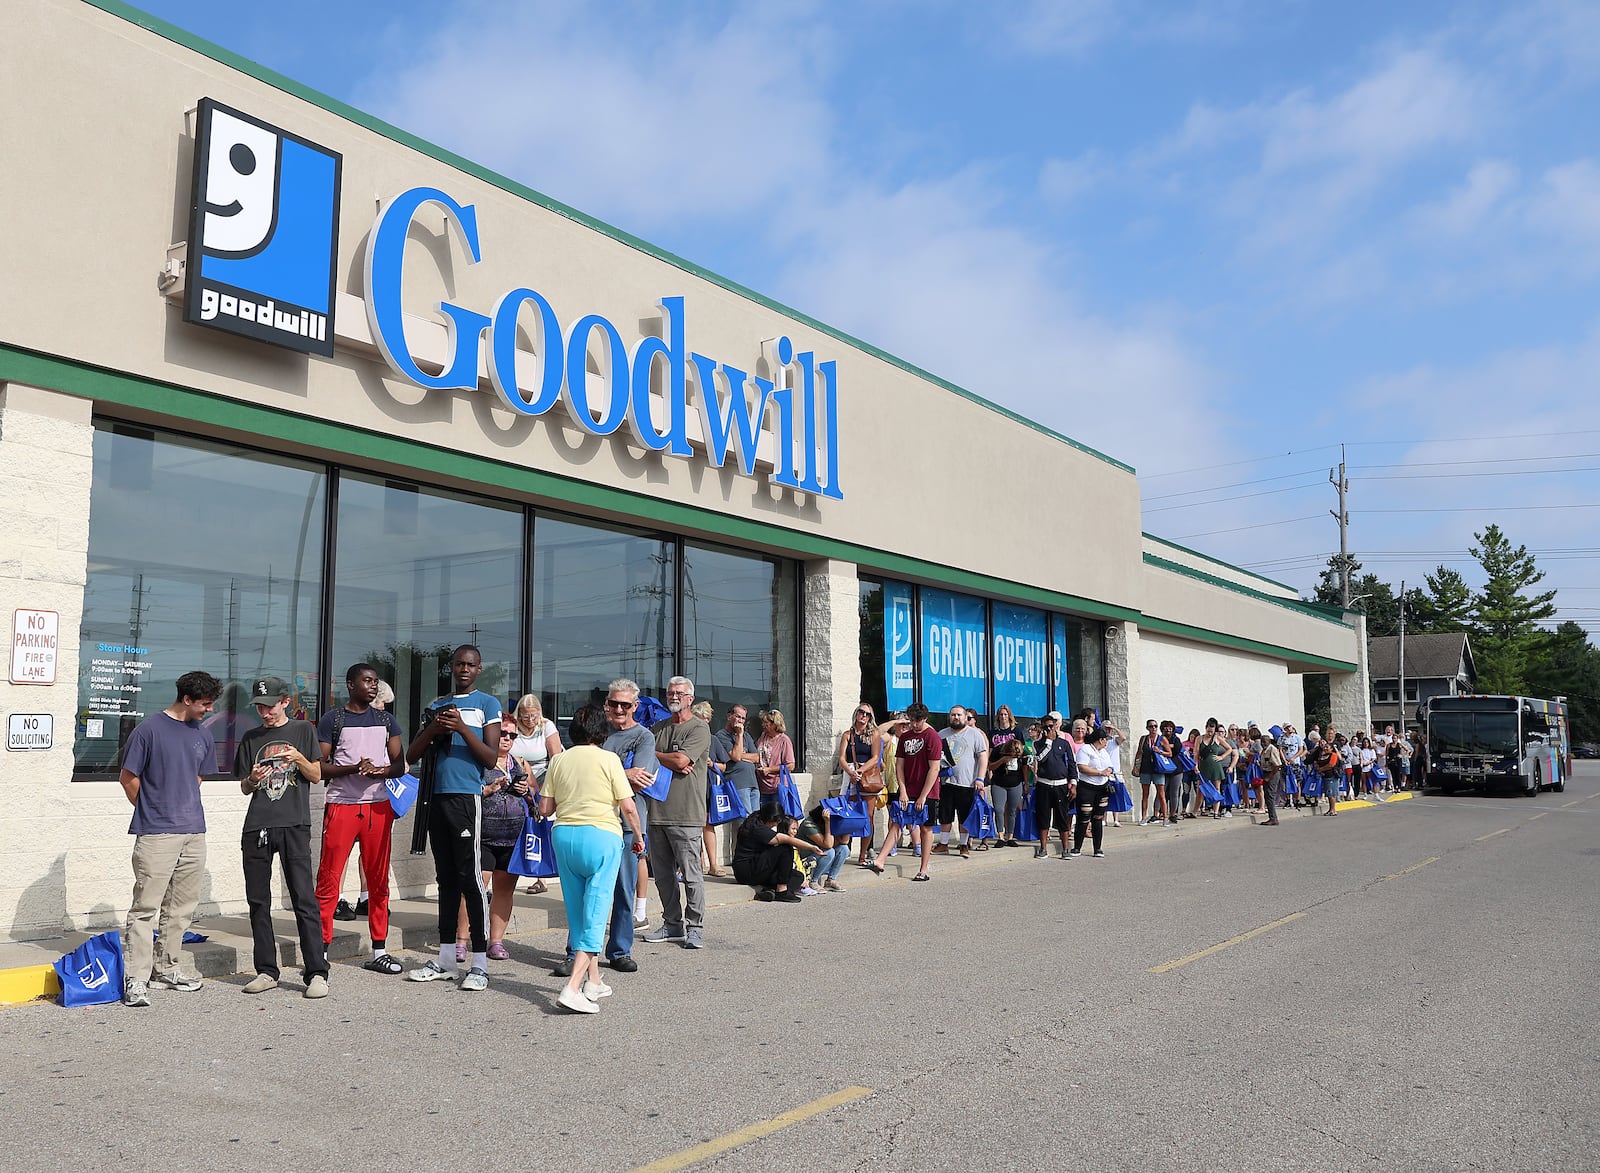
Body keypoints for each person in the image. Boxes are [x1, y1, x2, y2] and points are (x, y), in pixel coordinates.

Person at [119, 670, 221, 1007]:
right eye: (204, 704)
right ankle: (136, 978)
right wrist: (152, 810)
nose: (208, 710)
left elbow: (197, 778)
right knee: (146, 908)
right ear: (187, 699)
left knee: (181, 909)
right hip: (156, 832)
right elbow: (128, 777)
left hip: (193, 831)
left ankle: (167, 968)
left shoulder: (202, 736)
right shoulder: (148, 730)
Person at [404, 645, 501, 991]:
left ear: (479, 669)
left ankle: (479, 961)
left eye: (470, 665)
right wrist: (433, 729)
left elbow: (490, 759)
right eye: (458, 664)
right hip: (435, 798)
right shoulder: (435, 705)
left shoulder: (487, 705)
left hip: (465, 798)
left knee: (470, 878)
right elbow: (411, 755)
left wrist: (461, 727)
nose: (463, 669)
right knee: (444, 878)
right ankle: (446, 959)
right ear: (451, 667)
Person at [538, 704, 645, 1014]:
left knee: (578, 909)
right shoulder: (609, 759)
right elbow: (628, 806)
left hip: (565, 836)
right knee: (596, 914)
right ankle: (572, 988)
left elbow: (545, 808)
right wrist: (638, 838)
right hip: (602, 837)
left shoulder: (559, 760)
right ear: (602, 730)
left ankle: (593, 981)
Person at [235, 676, 329, 998]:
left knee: (304, 898)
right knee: (258, 901)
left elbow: (316, 776)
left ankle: (317, 972)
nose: (265, 712)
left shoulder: (304, 731)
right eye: (260, 706)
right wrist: (252, 778)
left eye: (270, 705)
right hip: (257, 824)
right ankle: (266, 970)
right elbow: (245, 787)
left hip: (294, 823)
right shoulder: (250, 738)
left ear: (286, 702)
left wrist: (299, 758)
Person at [316, 663, 406, 975]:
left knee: (379, 881)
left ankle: (379, 951)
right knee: (329, 879)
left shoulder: (385, 719)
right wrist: (354, 768)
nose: (372, 686)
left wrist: (380, 770)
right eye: (366, 681)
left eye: (375, 681)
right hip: (342, 806)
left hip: (378, 808)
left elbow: (399, 764)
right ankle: (321, 952)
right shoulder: (334, 719)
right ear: (350, 684)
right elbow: (320, 768)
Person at [569, 677, 657, 976]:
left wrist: (611, 771)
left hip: (628, 825)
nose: (618, 709)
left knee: (623, 889)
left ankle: (620, 950)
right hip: (593, 822)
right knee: (583, 893)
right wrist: (622, 770)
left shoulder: (644, 736)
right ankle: (575, 952)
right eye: (613, 703)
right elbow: (615, 775)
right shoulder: (596, 732)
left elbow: (640, 777)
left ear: (635, 706)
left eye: (624, 704)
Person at [643, 676, 713, 950]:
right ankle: (672, 924)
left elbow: (683, 761)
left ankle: (694, 927)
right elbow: (649, 757)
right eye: (671, 692)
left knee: (691, 875)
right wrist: (668, 758)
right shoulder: (657, 728)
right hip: (657, 811)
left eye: (680, 693)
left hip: (687, 814)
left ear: (690, 698)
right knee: (662, 876)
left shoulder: (699, 729)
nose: (674, 696)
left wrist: (661, 756)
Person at [457, 720, 533, 963]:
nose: (507, 738)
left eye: (512, 735)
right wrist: (487, 790)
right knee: (474, 890)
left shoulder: (519, 763)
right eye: (502, 733)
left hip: (512, 837)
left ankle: (496, 941)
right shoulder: (479, 760)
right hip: (484, 836)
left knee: (504, 890)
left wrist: (526, 791)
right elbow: (464, 793)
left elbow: (535, 794)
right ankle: (461, 941)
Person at [868, 703, 941, 881]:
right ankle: (880, 860)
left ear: (924, 719)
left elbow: (934, 769)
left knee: (925, 828)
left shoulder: (932, 736)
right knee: (897, 822)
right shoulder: (905, 737)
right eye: (911, 720)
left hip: (927, 791)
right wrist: (903, 790)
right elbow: (899, 765)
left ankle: (923, 869)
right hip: (907, 788)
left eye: (917, 720)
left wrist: (923, 796)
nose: (913, 724)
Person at [505, 694, 562, 894]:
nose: (530, 721)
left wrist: (545, 790)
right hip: (518, 776)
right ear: (518, 715)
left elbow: (556, 758)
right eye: (525, 716)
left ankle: (542, 876)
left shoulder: (546, 726)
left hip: (545, 777)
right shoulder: (513, 729)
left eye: (533, 716)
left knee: (541, 824)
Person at [734, 802, 824, 901]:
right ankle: (781, 891)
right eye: (774, 822)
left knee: (798, 876)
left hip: (759, 868)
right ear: (768, 818)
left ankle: (770, 892)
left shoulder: (758, 817)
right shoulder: (757, 828)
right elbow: (785, 839)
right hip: (747, 871)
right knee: (785, 847)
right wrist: (811, 847)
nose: (775, 824)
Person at [710, 704, 759, 876]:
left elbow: (757, 756)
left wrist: (741, 755)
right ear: (729, 716)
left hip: (753, 784)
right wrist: (738, 738)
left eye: (743, 719)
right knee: (743, 822)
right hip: (738, 784)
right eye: (737, 717)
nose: (740, 721)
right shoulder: (721, 736)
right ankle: (741, 857)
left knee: (755, 822)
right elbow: (736, 757)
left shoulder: (747, 735)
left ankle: (753, 855)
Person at [934, 705, 989, 858]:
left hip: (967, 783)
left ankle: (964, 844)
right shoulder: (942, 734)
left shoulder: (975, 734)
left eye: (959, 715)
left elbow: (983, 757)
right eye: (953, 715)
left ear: (965, 717)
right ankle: (943, 844)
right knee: (945, 815)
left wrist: (980, 778)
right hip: (946, 781)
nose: (956, 717)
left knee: (964, 816)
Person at [1032, 712, 1078, 858]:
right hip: (1044, 785)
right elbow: (1039, 759)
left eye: (1051, 727)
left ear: (1056, 726)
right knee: (1044, 817)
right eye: (1045, 728)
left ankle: (1066, 849)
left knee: (1062, 817)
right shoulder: (1038, 744)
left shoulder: (1064, 744)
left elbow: (1071, 764)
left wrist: (1074, 784)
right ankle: (1043, 848)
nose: (1049, 730)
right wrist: (1048, 742)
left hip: (1061, 785)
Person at [1071, 725, 1117, 857]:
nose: (1107, 742)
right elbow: (1082, 767)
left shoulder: (1104, 752)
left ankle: (1098, 848)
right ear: (1100, 739)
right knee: (1084, 817)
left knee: (1098, 817)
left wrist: (1108, 771)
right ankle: (1077, 847)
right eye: (1105, 739)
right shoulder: (1086, 749)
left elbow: (1110, 766)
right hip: (1087, 787)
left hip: (1102, 788)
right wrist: (1099, 772)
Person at [986, 705, 1027, 846]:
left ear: (1009, 716)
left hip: (1015, 777)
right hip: (999, 776)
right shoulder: (994, 734)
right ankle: (1000, 835)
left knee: (1012, 809)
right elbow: (989, 756)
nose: (1003, 717)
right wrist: (990, 772)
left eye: (1005, 714)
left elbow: (1023, 754)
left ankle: (1010, 836)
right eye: (1001, 714)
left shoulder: (1016, 731)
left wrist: (1026, 781)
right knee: (999, 808)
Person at [799, 803, 848, 893]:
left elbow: (844, 841)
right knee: (830, 852)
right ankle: (813, 881)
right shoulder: (808, 825)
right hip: (807, 861)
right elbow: (828, 845)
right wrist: (828, 823)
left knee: (843, 849)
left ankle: (830, 880)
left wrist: (847, 821)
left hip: (819, 858)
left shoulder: (825, 823)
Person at [755, 709, 796, 803]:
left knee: (777, 816)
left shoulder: (784, 740)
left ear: (774, 724)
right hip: (762, 787)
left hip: (777, 788)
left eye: (766, 723)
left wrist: (769, 769)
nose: (763, 725)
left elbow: (791, 765)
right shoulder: (763, 737)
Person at [1197, 718, 1235, 820]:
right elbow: (1196, 754)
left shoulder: (1217, 738)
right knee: (1201, 788)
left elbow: (1229, 749)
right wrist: (1195, 766)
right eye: (1208, 731)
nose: (1210, 733)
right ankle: (1195, 810)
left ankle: (1216, 811)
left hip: (1215, 766)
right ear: (1205, 728)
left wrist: (1221, 757)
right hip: (1204, 766)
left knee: (1217, 788)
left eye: (1212, 731)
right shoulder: (1199, 738)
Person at [1136, 720, 1169, 825]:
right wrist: (1136, 766)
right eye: (1151, 726)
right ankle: (1144, 817)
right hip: (1145, 768)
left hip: (1158, 769)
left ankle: (1165, 818)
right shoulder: (1144, 739)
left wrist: (1160, 751)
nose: (1153, 728)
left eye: (1155, 726)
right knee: (1145, 794)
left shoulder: (1162, 739)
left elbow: (1170, 753)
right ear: (1147, 728)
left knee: (1161, 793)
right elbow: (1139, 752)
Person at [1256, 728, 1286, 826]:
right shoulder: (1264, 750)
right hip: (1266, 772)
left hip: (1272, 773)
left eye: (1265, 742)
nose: (1263, 743)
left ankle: (1273, 818)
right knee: (1267, 795)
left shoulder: (1272, 749)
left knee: (1270, 796)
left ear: (1269, 742)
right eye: (1262, 742)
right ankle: (1271, 817)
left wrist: (1269, 777)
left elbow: (1277, 765)